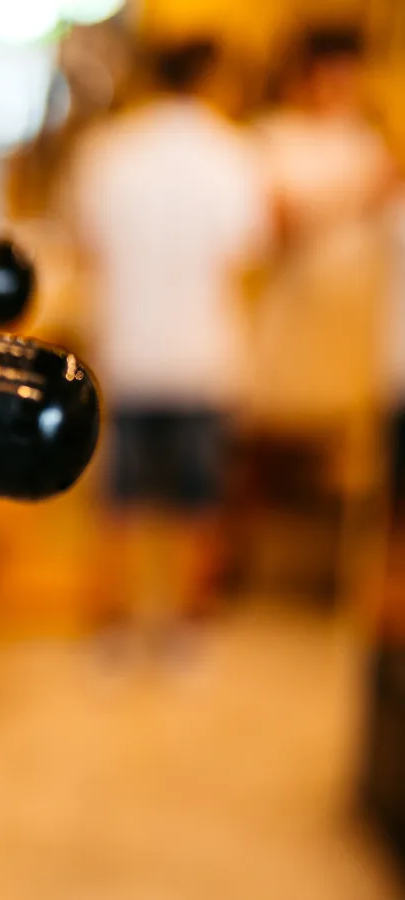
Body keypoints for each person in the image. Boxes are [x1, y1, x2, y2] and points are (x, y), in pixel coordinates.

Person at [67, 38, 272, 655]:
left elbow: (88, 243)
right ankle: (184, 627)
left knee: (118, 499)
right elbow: (246, 251)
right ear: (212, 78)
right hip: (200, 349)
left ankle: (115, 625)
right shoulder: (232, 153)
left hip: (128, 344)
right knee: (198, 498)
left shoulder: (109, 152)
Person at [246, 26, 394, 602]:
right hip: (286, 335)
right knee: (261, 466)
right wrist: (355, 196)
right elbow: (273, 225)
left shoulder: (369, 144)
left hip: (355, 337)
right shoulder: (272, 137)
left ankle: (346, 585)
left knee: (358, 471)